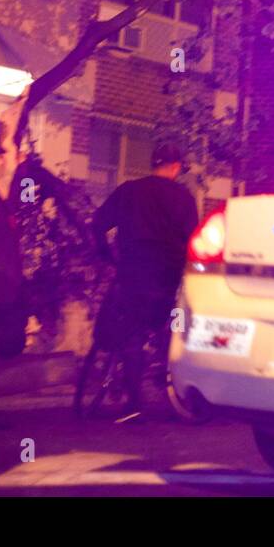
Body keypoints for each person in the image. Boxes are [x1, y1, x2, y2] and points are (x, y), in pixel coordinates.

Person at [92, 142, 199, 420]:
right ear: (175, 167)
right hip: (168, 279)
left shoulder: (129, 191)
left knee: (132, 334)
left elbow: (98, 222)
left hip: (133, 275)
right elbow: (193, 243)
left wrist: (107, 255)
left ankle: (134, 403)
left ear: (153, 164)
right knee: (171, 329)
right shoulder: (184, 198)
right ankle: (171, 379)